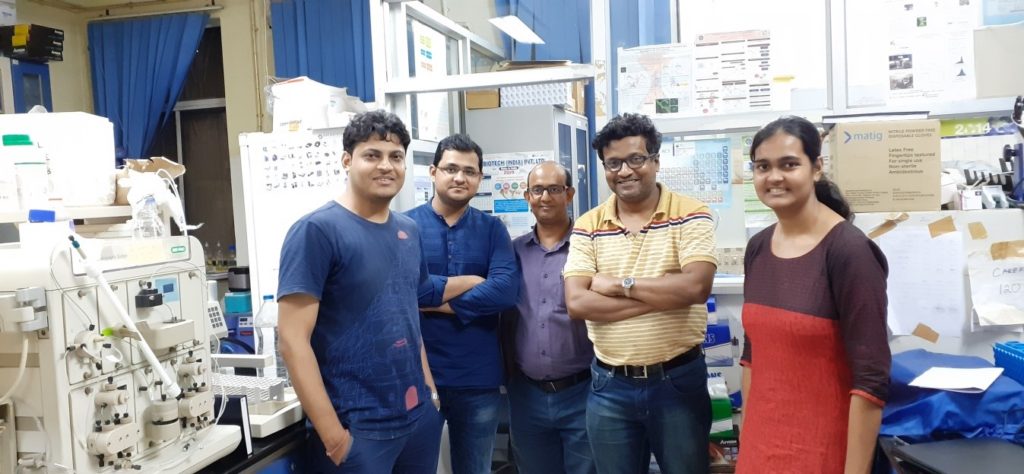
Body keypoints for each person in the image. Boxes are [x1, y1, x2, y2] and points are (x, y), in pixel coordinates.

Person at [277, 110, 443, 473]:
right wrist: (335, 439)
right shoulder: (317, 231)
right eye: (372, 155)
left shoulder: (409, 231)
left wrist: (429, 393)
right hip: (358, 433)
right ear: (347, 160)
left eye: (395, 156)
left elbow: (407, 318)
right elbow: (291, 341)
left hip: (417, 422)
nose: (386, 166)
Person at [563, 113, 718, 474]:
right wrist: (664, 294)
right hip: (609, 386)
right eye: (613, 163)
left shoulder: (691, 213)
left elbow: (696, 287)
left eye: (636, 159)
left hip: (678, 381)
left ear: (655, 161)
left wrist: (619, 285)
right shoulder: (588, 224)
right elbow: (577, 302)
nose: (625, 171)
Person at [738, 116, 890, 474]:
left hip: (824, 451)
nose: (774, 177)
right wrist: (747, 441)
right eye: (763, 167)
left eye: (789, 164)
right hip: (761, 449)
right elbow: (751, 355)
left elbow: (871, 380)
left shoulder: (848, 252)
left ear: (816, 167)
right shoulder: (758, 247)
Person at [407, 133, 520, 474]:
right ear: (433, 172)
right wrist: (472, 281)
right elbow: (408, 291)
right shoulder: (404, 227)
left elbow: (504, 292)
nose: (460, 177)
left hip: (478, 378)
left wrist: (435, 302)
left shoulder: (492, 229)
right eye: (451, 168)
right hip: (418, 376)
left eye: (469, 171)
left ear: (480, 178)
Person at [501, 162, 596, 474]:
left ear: (568, 194)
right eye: (537, 190)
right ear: (527, 196)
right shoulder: (512, 253)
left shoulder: (589, 248)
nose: (545, 197)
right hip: (527, 396)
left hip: (583, 392)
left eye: (554, 189)